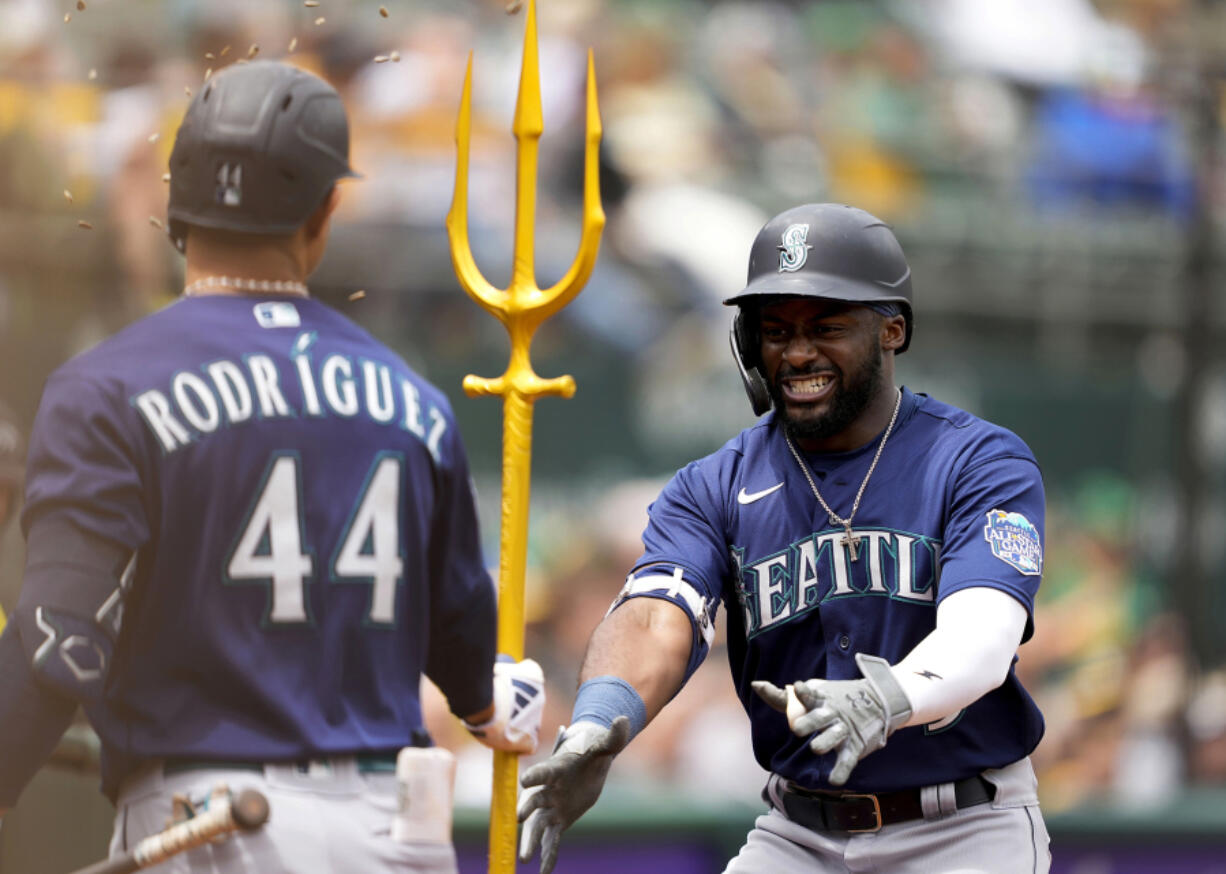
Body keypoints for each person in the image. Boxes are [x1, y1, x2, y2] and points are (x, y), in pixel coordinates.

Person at [0, 60, 544, 874]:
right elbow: (466, 647)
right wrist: (491, 700)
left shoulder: (102, 386)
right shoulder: (412, 398)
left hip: (207, 828)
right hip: (391, 834)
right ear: (327, 209)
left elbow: (57, 646)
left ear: (175, 202)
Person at [517, 203, 1051, 874]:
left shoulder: (976, 459)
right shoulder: (713, 485)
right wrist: (599, 718)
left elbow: (985, 633)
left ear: (892, 329)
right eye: (775, 329)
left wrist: (891, 695)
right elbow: (657, 617)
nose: (797, 352)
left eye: (826, 325)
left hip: (961, 829)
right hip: (799, 833)